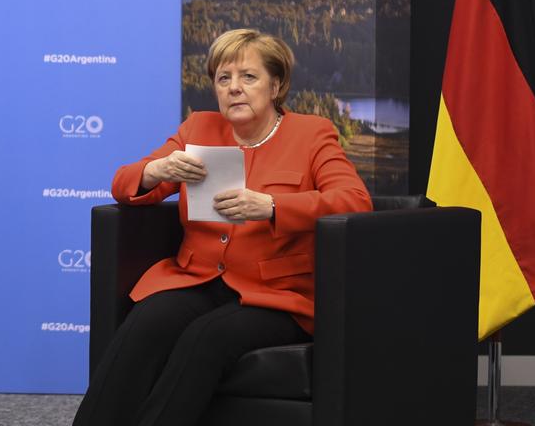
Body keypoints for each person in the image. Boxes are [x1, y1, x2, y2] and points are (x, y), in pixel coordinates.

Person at [74, 28, 372, 426]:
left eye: (248, 77)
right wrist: (154, 170)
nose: (235, 88)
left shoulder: (311, 134)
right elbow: (123, 184)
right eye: (223, 78)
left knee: (207, 338)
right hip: (197, 279)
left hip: (276, 294)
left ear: (276, 85)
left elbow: (354, 201)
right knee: (146, 323)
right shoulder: (198, 128)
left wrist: (270, 205)